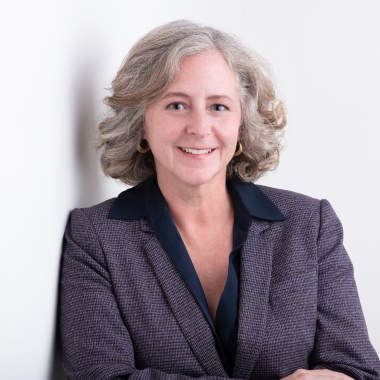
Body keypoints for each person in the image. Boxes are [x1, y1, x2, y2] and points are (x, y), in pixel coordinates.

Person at [60, 20, 380, 380]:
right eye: (177, 105)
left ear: (241, 126)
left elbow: (359, 371)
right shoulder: (94, 238)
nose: (199, 127)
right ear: (141, 123)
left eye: (219, 107)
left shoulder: (311, 224)